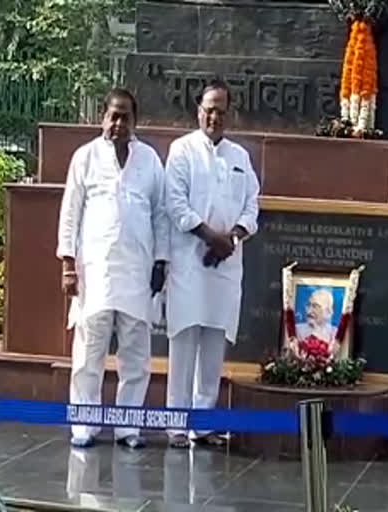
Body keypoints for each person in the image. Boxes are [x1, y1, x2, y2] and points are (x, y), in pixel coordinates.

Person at [56, 88, 168, 449]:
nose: (118, 123)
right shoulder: (85, 157)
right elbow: (70, 213)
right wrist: (68, 265)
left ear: (135, 121)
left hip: (137, 271)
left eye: (126, 117)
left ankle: (127, 426)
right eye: (113, 116)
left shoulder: (149, 159)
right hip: (96, 271)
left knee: (135, 355)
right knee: (89, 353)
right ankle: (84, 426)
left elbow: (161, 214)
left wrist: (160, 261)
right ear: (103, 117)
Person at [164, 78, 260, 449]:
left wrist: (232, 237)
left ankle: (202, 425)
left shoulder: (240, 157)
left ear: (229, 113)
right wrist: (210, 237)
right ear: (198, 111)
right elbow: (176, 204)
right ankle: (175, 425)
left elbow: (253, 205)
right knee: (184, 345)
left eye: (221, 110)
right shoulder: (182, 150)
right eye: (209, 109)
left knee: (214, 347)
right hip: (190, 262)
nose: (215, 116)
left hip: (226, 265)